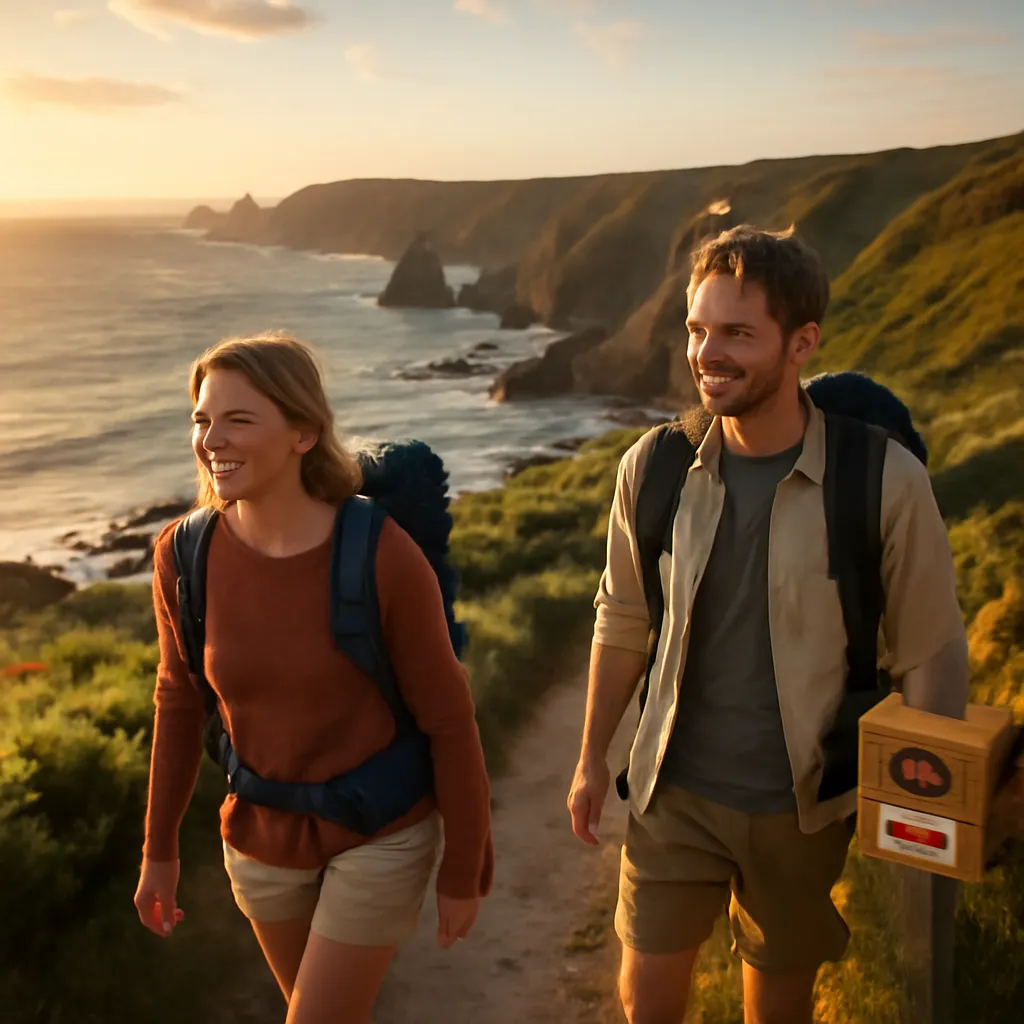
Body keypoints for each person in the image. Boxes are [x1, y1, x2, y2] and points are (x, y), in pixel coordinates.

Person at [567, 226, 969, 1024]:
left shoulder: (883, 479)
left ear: (801, 343)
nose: (708, 354)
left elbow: (930, 649)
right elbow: (623, 619)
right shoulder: (652, 469)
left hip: (805, 807)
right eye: (698, 329)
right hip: (669, 794)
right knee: (643, 1001)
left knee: (776, 1009)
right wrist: (589, 760)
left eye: (738, 334)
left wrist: (922, 800)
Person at [134, 333, 493, 1024]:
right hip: (260, 840)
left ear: (303, 432)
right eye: (202, 419)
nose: (212, 440)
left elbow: (449, 719)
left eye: (239, 419)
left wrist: (464, 865)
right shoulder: (184, 554)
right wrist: (159, 852)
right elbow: (178, 702)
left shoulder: (380, 552)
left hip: (378, 834)